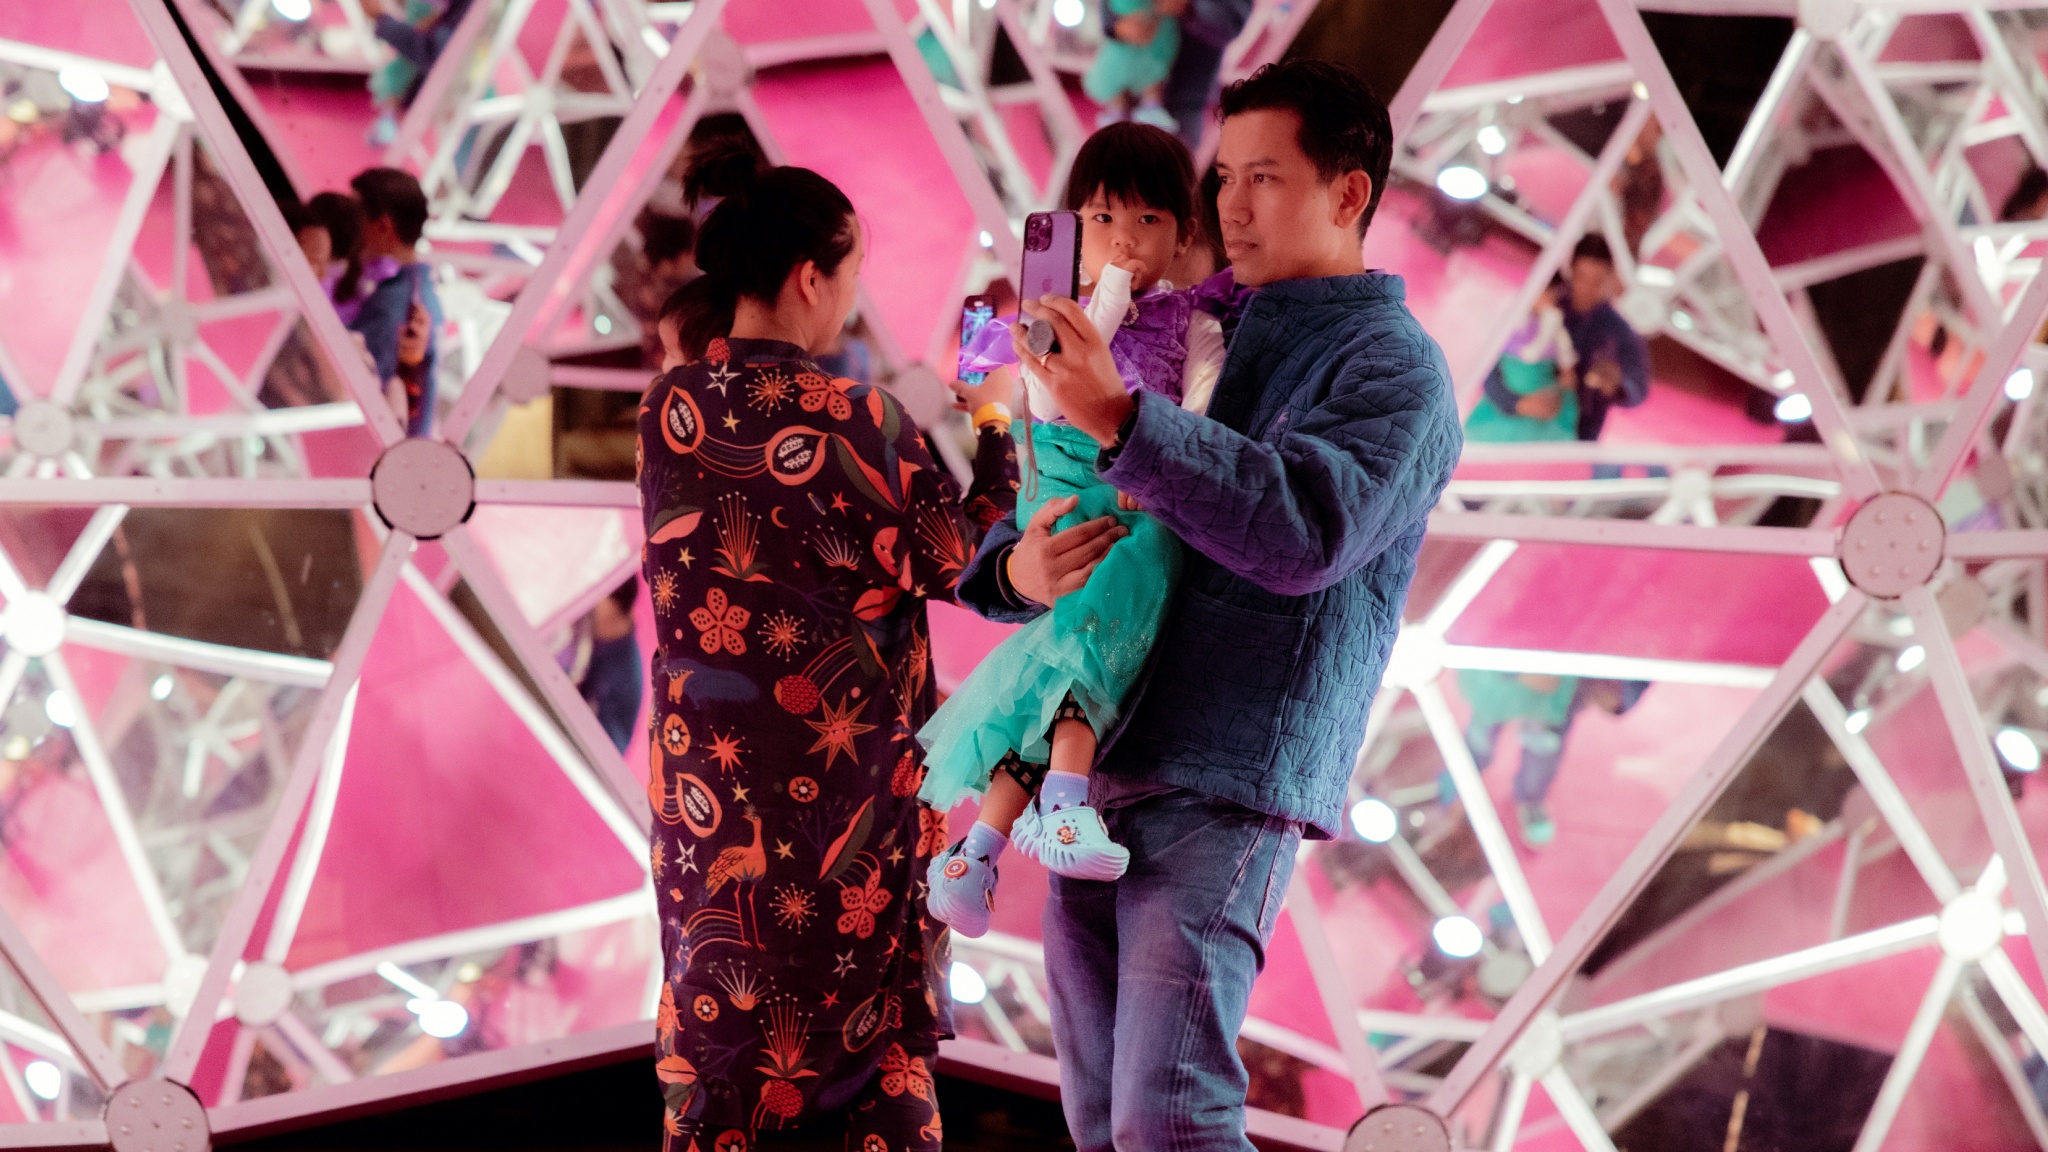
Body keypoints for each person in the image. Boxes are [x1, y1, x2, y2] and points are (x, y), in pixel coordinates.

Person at [956, 60, 1460, 1150]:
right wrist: (1013, 573)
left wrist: (1126, 419)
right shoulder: (1183, 321)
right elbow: (1061, 494)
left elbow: (1302, 530)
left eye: (1264, 177)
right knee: (1098, 1115)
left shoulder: (1392, 366)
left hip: (1223, 768)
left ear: (1348, 192)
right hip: (1092, 770)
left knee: (1167, 1112)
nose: (1227, 205)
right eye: (1222, 176)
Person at [638, 143, 1017, 1150]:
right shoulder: (859, 424)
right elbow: (969, 561)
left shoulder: (664, 414)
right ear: (811, 274)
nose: (848, 300)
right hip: (840, 827)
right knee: (859, 1057)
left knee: (722, 1044)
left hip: (705, 815)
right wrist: (993, 420)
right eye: (849, 274)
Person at [918, 123, 1226, 936]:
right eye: (1101, 221)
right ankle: (1059, 807)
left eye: (1148, 222)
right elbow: (1043, 402)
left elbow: (1201, 412)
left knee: (1056, 673)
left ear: (1184, 234)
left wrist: (1156, 465)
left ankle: (973, 852)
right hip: (1068, 490)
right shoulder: (1058, 318)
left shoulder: (1197, 323)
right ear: (1074, 227)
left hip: (1134, 493)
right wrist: (1104, 306)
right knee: (1090, 645)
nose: (1124, 239)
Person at [1484, 235, 1647, 460]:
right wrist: (1518, 404)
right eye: (1582, 278)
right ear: (1571, 269)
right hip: (1508, 432)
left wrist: (1616, 384)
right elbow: (1491, 367)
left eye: (1598, 280)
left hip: (1572, 443)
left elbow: (1637, 389)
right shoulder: (1544, 305)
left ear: (1610, 276)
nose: (1588, 288)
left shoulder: (1620, 332)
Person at [1459, 674, 1647, 847]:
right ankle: (1463, 773)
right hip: (1510, 664)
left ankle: (1531, 798)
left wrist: (1612, 689)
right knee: (1484, 726)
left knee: (1545, 745)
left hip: (1565, 688)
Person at [348, 167, 443, 436]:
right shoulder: (419, 293)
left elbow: (363, 390)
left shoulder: (393, 306)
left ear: (383, 227)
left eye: (356, 216)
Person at [1463, 277, 1579, 443]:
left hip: (1543, 406)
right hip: (1504, 409)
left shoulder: (1556, 328)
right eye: (1547, 293)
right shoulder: (1508, 324)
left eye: (1554, 295)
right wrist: (1518, 404)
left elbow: (1566, 369)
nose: (1550, 299)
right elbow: (1489, 375)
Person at [1087, 0, 1183, 131]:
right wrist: (1117, 26)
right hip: (1126, 36)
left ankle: (1150, 106)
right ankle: (1118, 111)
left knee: (1154, 70)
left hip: (1160, 34)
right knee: (1121, 67)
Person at [572, 580, 643, 753]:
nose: (587, 607)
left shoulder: (620, 674)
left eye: (594, 605)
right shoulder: (599, 637)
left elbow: (609, 750)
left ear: (616, 611)